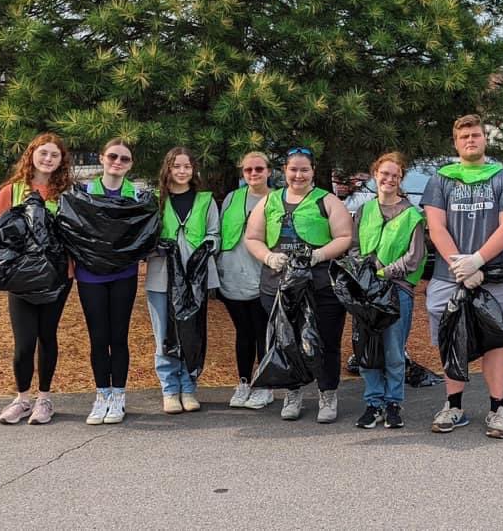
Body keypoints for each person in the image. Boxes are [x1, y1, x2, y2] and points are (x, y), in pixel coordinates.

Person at [420, 114, 503, 439]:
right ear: (455, 142)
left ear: (485, 139)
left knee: (493, 342)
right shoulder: (440, 180)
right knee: (452, 338)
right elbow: (436, 227)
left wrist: (478, 261)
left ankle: (497, 409)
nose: (470, 140)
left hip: (492, 276)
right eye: (464, 135)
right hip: (447, 276)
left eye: (476, 135)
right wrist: (460, 267)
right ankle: (453, 406)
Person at [244, 146, 352, 423]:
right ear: (284, 172)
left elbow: (343, 236)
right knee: (286, 341)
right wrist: (268, 256)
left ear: (313, 171)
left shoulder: (326, 201)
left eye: (304, 169)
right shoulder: (269, 201)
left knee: (326, 340)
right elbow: (252, 237)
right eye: (293, 169)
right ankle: (293, 391)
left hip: (320, 286)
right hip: (279, 287)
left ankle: (327, 392)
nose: (298, 175)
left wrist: (319, 254)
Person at [0, 133, 74, 425]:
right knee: (24, 342)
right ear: (32, 154)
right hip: (22, 279)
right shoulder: (12, 192)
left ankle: (44, 399)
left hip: (57, 278)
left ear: (62, 161)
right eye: (43, 153)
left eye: (54, 155)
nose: (48, 159)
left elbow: (77, 235)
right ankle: (22, 399)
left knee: (47, 337)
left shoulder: (67, 194)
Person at [350, 152, 426, 429]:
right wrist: (366, 272)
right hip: (367, 291)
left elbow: (415, 257)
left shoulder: (412, 215)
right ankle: (374, 403)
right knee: (367, 349)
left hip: (396, 290)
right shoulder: (364, 211)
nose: (389, 179)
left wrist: (384, 272)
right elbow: (355, 247)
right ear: (375, 175)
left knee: (394, 350)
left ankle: (393, 403)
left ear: (401, 179)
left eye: (395, 175)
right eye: (385, 174)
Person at [146, 147, 219, 414]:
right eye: (176, 166)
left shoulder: (205, 200)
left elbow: (214, 234)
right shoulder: (155, 200)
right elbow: (144, 237)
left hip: (194, 279)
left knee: (192, 333)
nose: (182, 171)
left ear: (194, 169)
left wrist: (206, 249)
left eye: (187, 166)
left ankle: (188, 387)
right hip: (161, 277)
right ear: (168, 168)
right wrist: (157, 246)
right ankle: (169, 389)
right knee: (164, 334)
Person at [78, 138, 142, 425]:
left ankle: (119, 395)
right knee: (98, 337)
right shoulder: (84, 192)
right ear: (102, 158)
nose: (117, 162)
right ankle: (101, 394)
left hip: (123, 275)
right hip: (90, 275)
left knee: (119, 336)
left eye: (124, 159)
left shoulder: (136, 196)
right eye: (113, 156)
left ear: (130, 165)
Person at [219, 152, 273, 409]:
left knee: (263, 332)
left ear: (269, 171)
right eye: (248, 170)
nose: (254, 173)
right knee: (243, 332)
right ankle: (243, 382)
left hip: (263, 276)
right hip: (232, 275)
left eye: (259, 169)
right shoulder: (232, 198)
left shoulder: (276, 199)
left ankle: (264, 385)